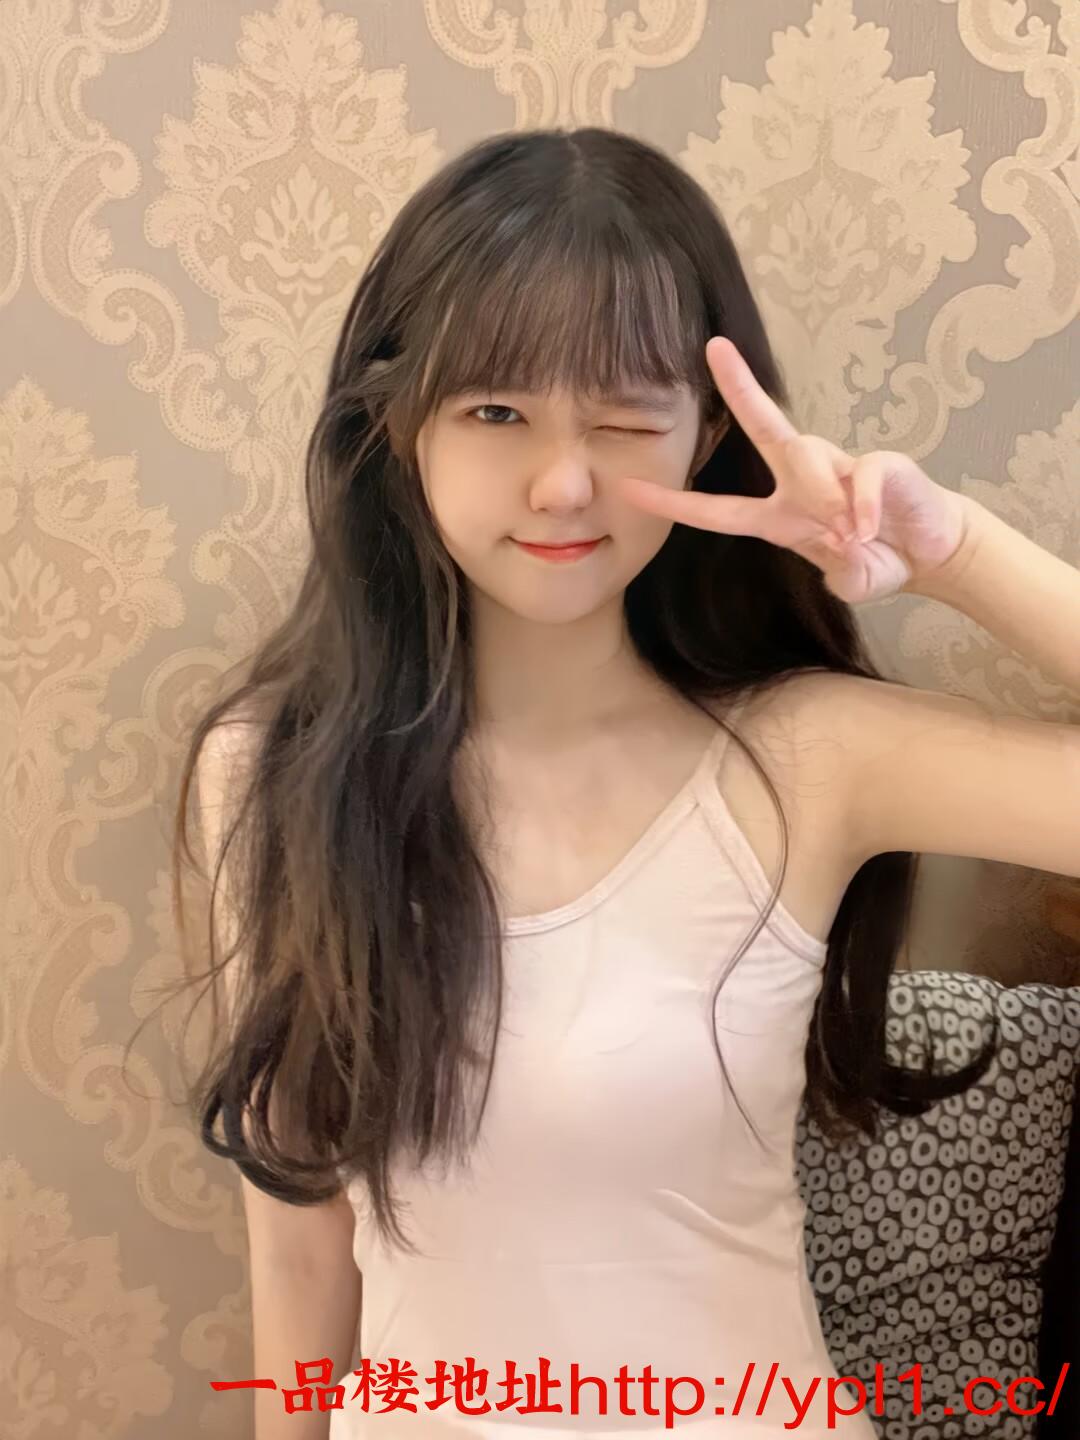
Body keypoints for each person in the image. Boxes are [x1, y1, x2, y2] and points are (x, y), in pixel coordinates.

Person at [174, 127, 1080, 1439]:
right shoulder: (273, 773)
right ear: (397, 424)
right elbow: (301, 1253)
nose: (563, 481)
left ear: (706, 433)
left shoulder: (804, 756)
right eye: (496, 411)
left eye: (622, 417)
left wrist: (951, 552)